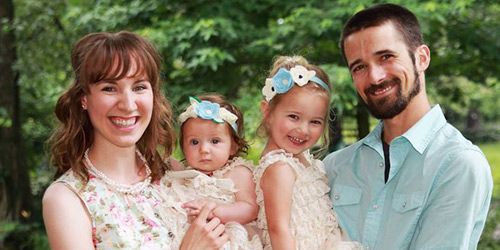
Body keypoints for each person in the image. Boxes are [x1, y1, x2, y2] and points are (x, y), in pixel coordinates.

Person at [323, 3, 493, 250]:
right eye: (359, 67)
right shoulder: (335, 167)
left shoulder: (458, 165)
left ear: (422, 58)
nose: (375, 77)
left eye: (386, 57)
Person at [42, 31, 228, 249]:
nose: (128, 105)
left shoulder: (172, 173)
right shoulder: (67, 199)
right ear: (84, 99)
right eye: (109, 88)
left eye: (139, 87)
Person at [254, 55, 362, 250]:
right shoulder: (280, 168)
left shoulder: (300, 160)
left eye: (315, 122)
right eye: (294, 117)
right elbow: (279, 229)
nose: (303, 130)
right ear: (267, 112)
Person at [167, 94, 262, 249]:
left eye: (215, 141)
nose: (204, 149)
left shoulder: (238, 172)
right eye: (194, 142)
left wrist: (216, 212)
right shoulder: (186, 175)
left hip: (228, 238)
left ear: (233, 146)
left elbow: (250, 208)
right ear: (183, 148)